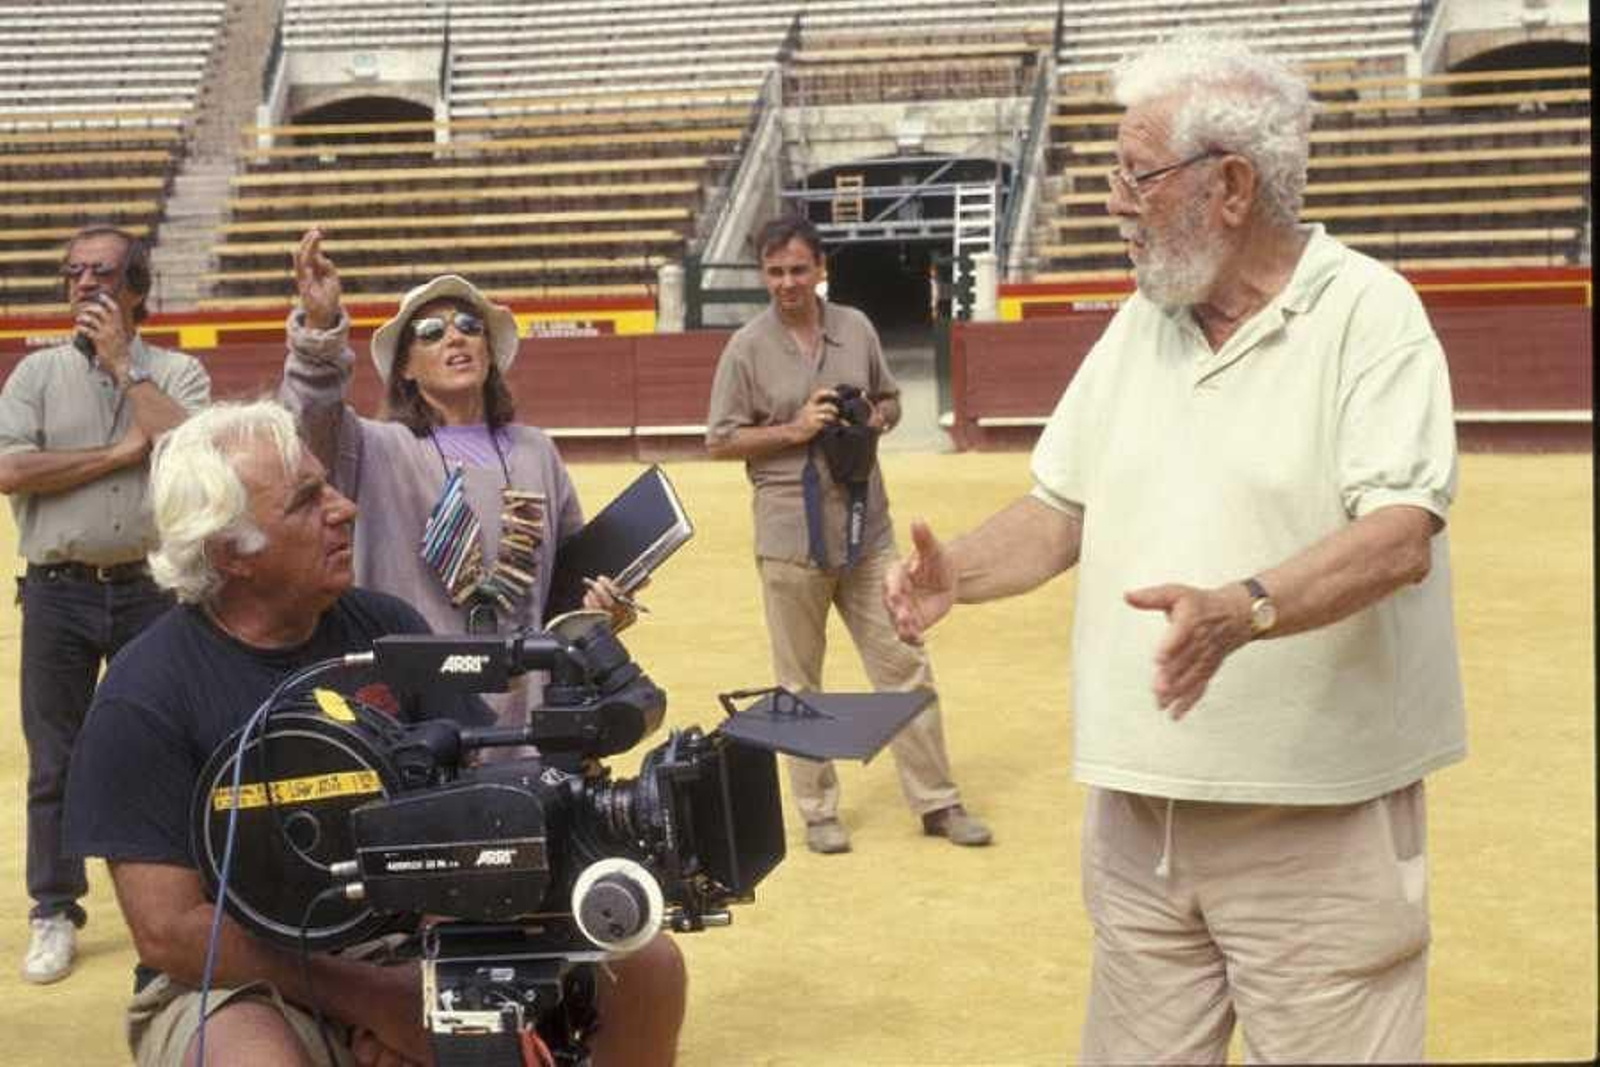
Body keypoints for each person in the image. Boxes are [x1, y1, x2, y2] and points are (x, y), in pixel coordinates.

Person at [884, 39, 1466, 1064]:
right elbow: (1061, 507)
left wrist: (1244, 605)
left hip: (1312, 830)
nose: (1114, 199)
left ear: (1231, 186)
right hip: (1139, 825)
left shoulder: (1370, 313)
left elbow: (1397, 538)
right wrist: (956, 575)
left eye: (1134, 173)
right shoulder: (1137, 328)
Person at [62, 399, 686, 1067]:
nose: (344, 508)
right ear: (230, 550)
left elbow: (475, 805)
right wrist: (378, 1002)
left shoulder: (383, 627)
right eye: (307, 501)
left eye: (328, 484)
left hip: (412, 932)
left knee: (646, 962)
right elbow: (170, 933)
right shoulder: (145, 693)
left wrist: (442, 985)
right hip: (238, 968)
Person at [706, 214, 990, 855]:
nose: (787, 283)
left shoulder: (855, 328)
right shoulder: (746, 347)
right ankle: (817, 810)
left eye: (798, 270)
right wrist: (796, 430)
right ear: (762, 275)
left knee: (904, 664)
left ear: (820, 268)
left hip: (867, 526)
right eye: (775, 272)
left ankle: (939, 802)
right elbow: (720, 439)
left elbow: (892, 401)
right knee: (799, 681)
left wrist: (873, 416)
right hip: (788, 535)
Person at [279, 229, 630, 731]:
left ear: (489, 351)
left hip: (529, 707)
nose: (455, 337)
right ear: (405, 368)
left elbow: (567, 583)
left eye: (470, 325)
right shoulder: (373, 447)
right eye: (431, 332)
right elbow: (310, 413)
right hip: (414, 708)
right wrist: (319, 328)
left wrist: (600, 609)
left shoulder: (536, 450)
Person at [0, 224, 211, 984]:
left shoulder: (176, 372)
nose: (84, 286)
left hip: (155, 588)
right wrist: (119, 456)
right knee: (54, 757)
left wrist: (125, 368)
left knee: (166, 750)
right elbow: (10, 468)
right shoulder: (34, 375)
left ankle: (184, 909)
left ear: (137, 289)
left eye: (101, 273)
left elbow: (193, 452)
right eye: (72, 274)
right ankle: (53, 909)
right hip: (58, 591)